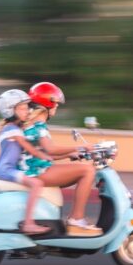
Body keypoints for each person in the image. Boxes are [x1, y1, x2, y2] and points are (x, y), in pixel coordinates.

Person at [26, 82, 102, 237]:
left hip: (35, 169)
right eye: (55, 104)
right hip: (37, 172)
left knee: (81, 171)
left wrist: (69, 155)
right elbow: (51, 149)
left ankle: (66, 218)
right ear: (48, 104)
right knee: (88, 170)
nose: (57, 107)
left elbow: (47, 154)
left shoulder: (32, 124)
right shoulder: (39, 126)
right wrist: (81, 147)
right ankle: (76, 219)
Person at [0, 89, 56, 235]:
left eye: (27, 107)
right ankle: (28, 224)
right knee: (37, 183)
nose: (27, 111)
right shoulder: (11, 129)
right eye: (22, 108)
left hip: (11, 168)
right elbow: (30, 149)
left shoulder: (16, 128)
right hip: (7, 170)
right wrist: (46, 155)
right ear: (10, 111)